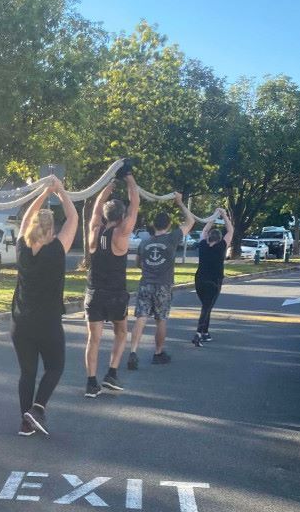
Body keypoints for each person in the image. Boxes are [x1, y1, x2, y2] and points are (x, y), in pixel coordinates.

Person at [10, 176, 78, 437]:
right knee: (55, 367)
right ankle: (37, 409)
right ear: (51, 231)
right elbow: (73, 219)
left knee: (27, 373)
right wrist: (60, 191)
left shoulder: (21, 250)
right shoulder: (57, 250)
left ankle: (25, 423)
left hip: (21, 323)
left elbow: (26, 220)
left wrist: (42, 193)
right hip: (47, 323)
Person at [84, 159, 139, 396]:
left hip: (94, 293)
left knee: (93, 339)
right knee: (121, 333)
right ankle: (111, 374)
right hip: (116, 294)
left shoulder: (95, 231)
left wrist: (107, 187)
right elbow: (135, 202)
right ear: (122, 215)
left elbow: (96, 209)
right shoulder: (122, 232)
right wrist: (128, 178)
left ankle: (90, 383)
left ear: (106, 215)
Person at [127, 193, 196, 368]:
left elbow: (138, 264)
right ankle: (158, 353)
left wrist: (149, 269)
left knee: (141, 318)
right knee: (161, 319)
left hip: (145, 284)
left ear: (153, 225)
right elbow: (190, 222)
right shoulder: (172, 238)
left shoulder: (144, 243)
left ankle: (133, 352)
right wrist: (180, 202)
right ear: (169, 225)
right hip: (163, 286)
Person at [192, 208, 233, 346]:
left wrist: (214, 216)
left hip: (199, 280)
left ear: (209, 236)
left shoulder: (203, 244)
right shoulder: (221, 246)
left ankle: (205, 332)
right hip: (214, 281)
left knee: (206, 305)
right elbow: (231, 231)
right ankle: (198, 332)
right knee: (206, 307)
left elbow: (204, 230)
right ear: (220, 238)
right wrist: (224, 216)